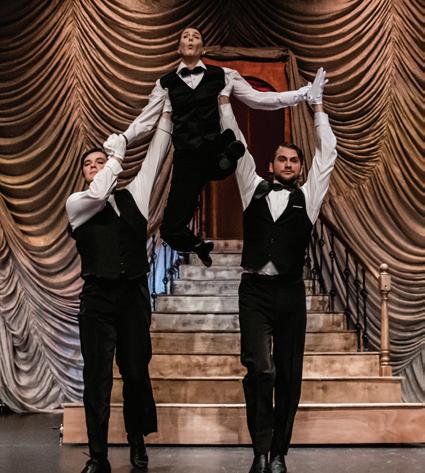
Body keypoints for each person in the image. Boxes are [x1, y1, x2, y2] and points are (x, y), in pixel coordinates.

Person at [104, 27, 313, 267]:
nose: (190, 39)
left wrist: (301, 94)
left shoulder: (224, 75)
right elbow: (146, 120)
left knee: (222, 157)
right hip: (186, 159)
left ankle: (229, 153)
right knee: (170, 229)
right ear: (179, 48)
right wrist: (124, 139)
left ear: (202, 49)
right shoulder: (165, 83)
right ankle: (199, 245)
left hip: (213, 148)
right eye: (185, 36)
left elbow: (259, 99)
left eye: (195, 37)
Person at [219, 68, 336, 473]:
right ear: (270, 165)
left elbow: (328, 154)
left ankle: (279, 453)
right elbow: (236, 143)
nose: (288, 164)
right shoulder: (252, 187)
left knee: (288, 373)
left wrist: (318, 109)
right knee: (260, 368)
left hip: (289, 292)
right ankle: (260, 449)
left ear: (300, 168)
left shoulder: (309, 196)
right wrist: (224, 103)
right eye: (282, 159)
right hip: (254, 290)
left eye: (293, 160)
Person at [66, 114, 172, 473]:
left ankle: (137, 441)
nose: (96, 167)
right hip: (98, 297)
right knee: (97, 378)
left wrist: (166, 113)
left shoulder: (133, 196)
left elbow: (156, 154)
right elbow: (100, 191)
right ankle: (98, 456)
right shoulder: (78, 202)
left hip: (132, 296)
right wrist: (116, 155)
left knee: (136, 373)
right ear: (84, 174)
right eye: (89, 164)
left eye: (101, 161)